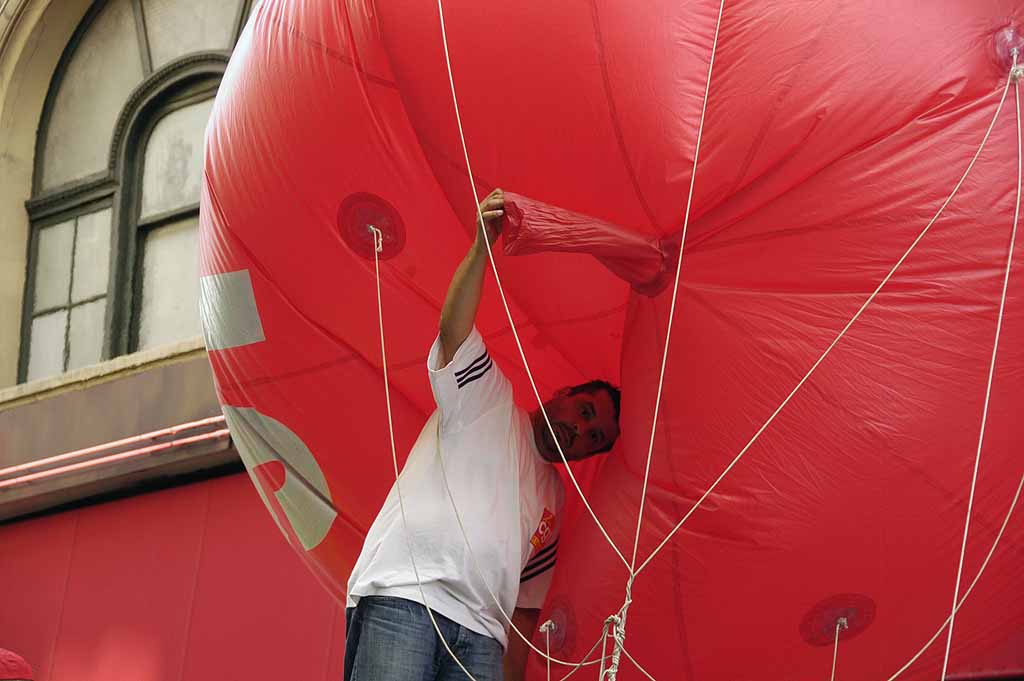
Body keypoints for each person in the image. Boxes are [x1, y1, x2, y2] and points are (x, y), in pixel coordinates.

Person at [344, 188, 622, 681]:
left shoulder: (553, 502)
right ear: (561, 393)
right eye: (583, 410)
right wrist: (481, 249)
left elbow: (525, 616)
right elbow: (453, 330)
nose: (579, 429)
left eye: (593, 435)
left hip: (482, 641)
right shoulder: (490, 396)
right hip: (407, 596)